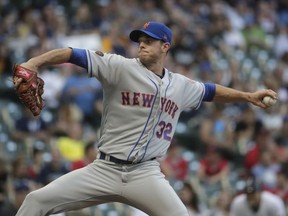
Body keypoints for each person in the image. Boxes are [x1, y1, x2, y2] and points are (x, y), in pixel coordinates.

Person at [15, 21, 277, 216]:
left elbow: (211, 91)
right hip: (104, 169)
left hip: (145, 173)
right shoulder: (119, 67)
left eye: (149, 40)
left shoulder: (180, 85)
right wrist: (34, 62)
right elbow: (73, 53)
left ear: (165, 47)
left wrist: (248, 96)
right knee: (35, 201)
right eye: (140, 39)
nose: (141, 43)